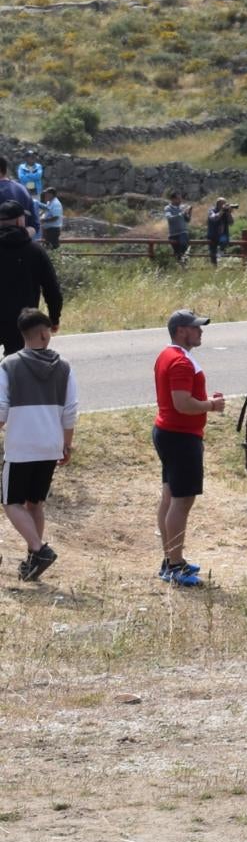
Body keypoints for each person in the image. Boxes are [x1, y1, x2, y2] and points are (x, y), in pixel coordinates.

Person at [0, 310, 75, 581]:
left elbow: (1, 409)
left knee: (10, 502)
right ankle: (33, 561)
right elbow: (70, 410)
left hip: (21, 445)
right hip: (50, 445)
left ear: (23, 334)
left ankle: (38, 549)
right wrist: (67, 444)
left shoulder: (9, 365)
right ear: (45, 333)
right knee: (35, 503)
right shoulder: (64, 366)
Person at [153, 308, 222, 586]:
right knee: (182, 502)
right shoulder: (180, 361)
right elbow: (182, 403)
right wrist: (210, 405)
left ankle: (171, 558)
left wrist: (203, 400)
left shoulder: (167, 355)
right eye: (196, 327)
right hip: (181, 436)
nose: (201, 331)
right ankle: (175, 564)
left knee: (170, 498)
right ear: (181, 331)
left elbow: (179, 398)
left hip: (169, 433)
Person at [0, 201, 61, 356]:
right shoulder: (34, 251)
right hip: (22, 323)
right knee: (17, 369)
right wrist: (54, 319)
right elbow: (52, 288)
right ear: (20, 221)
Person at [163, 191, 192, 263]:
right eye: (178, 198)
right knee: (177, 253)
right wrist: (181, 214)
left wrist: (189, 213)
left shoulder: (183, 207)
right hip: (173, 234)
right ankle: (181, 267)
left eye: (180, 198)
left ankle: (183, 264)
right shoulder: (168, 208)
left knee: (183, 246)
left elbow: (187, 220)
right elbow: (169, 218)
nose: (180, 200)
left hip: (183, 232)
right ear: (173, 199)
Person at [204, 198, 234, 265]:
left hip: (222, 234)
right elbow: (214, 218)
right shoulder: (211, 210)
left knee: (224, 241)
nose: (224, 205)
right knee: (213, 255)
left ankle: (220, 253)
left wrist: (229, 213)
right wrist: (222, 211)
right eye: (223, 204)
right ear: (218, 204)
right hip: (213, 235)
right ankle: (213, 268)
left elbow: (231, 223)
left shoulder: (226, 212)